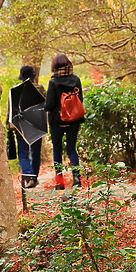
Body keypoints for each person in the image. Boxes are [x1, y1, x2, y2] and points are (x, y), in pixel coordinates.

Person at [44, 54, 84, 189]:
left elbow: (49, 105)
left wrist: (45, 106)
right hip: (74, 120)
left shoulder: (53, 82)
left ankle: (60, 182)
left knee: (57, 151)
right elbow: (80, 100)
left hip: (57, 121)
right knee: (72, 149)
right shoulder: (76, 80)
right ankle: (77, 178)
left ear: (55, 67)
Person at [8, 65, 44, 188]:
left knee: (23, 153)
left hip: (21, 126)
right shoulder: (40, 89)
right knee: (35, 153)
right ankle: (34, 177)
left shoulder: (15, 90)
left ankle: (29, 177)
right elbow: (45, 106)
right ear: (33, 76)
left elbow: (11, 110)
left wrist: (9, 126)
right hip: (37, 125)